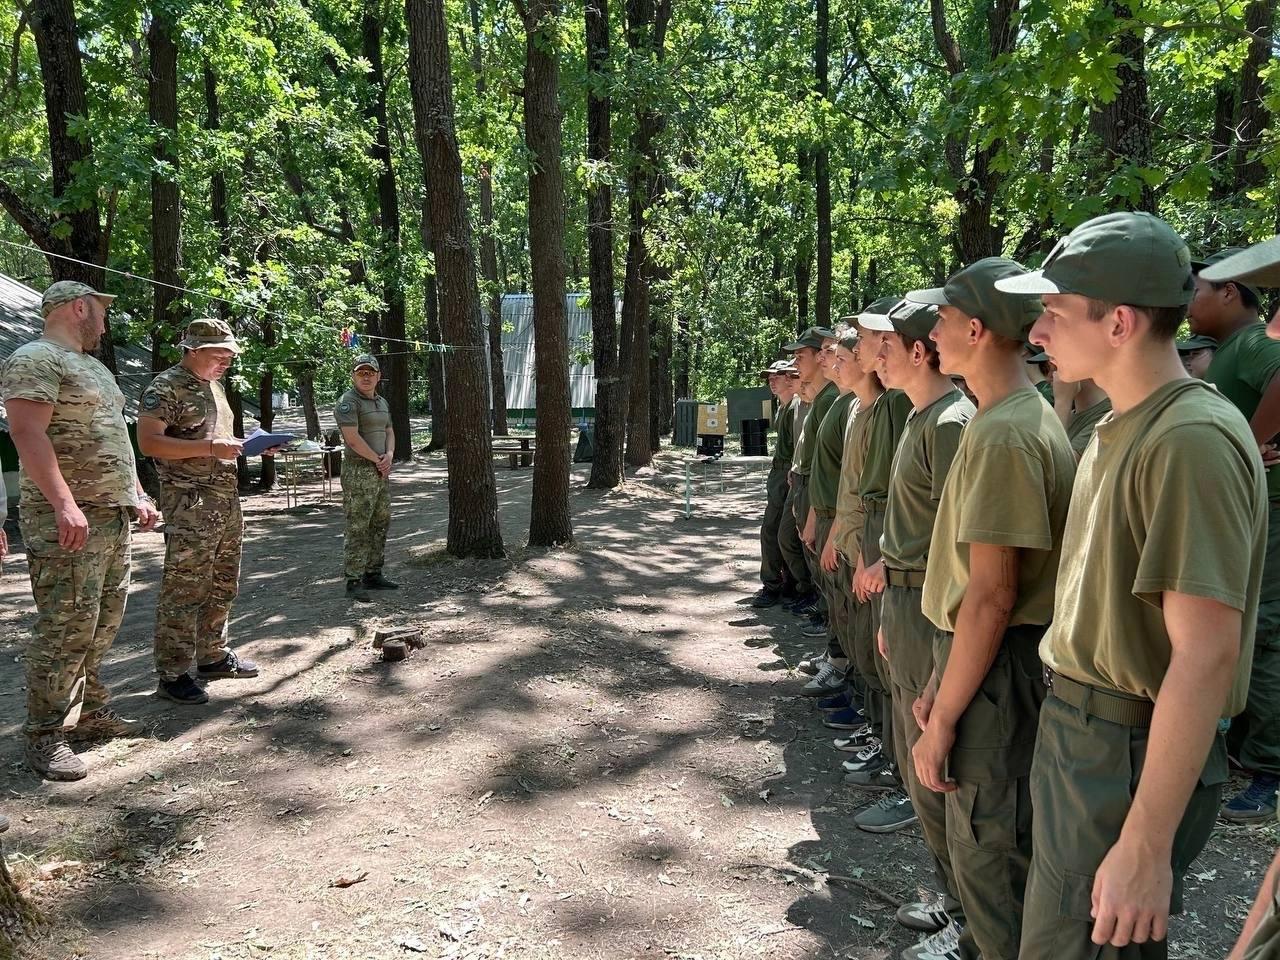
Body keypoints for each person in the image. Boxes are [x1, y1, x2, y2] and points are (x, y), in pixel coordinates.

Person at [994, 211, 1266, 960]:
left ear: (1117, 322)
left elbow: (1206, 654)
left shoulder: (1187, 441)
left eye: (1052, 313)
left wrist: (1145, 845)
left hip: (1124, 750)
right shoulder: (1128, 424)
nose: (1039, 334)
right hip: (1089, 739)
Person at [908, 258, 1076, 960]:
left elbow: (992, 594)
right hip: (984, 659)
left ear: (975, 329)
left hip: (1000, 667)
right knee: (982, 845)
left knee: (990, 849)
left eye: (943, 321)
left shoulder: (1006, 431)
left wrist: (944, 717)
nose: (935, 335)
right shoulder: (1000, 418)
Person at [0, 280, 160, 781]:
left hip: (110, 513)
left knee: (103, 620)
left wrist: (138, 494)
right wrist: (65, 504)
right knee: (66, 624)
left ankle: (87, 713)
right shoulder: (35, 357)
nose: (106, 322)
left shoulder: (93, 367)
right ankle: (44, 736)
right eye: (102, 312)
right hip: (67, 516)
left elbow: (116, 438)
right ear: (79, 307)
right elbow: (26, 433)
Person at [860, 298, 975, 959]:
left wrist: (936, 657)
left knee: (940, 776)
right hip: (905, 606)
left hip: (932, 615)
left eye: (885, 344)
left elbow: (958, 550)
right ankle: (954, 900)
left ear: (918, 352)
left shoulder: (953, 423)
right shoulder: (921, 416)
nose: (874, 356)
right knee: (917, 768)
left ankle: (969, 921)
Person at [1187, 248, 1280, 823]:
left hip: (1266, 512)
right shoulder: (1229, 353)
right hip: (1249, 513)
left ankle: (1268, 766)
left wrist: (1248, 442)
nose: (1189, 304)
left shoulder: (1249, 344)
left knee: (1264, 631)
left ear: (1231, 292)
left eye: (1198, 290)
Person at [137, 318, 267, 705]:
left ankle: (212, 656)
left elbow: (216, 439)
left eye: (230, 354)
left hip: (224, 498)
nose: (227, 359)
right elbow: (148, 442)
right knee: (185, 586)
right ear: (192, 349)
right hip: (189, 500)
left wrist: (251, 446)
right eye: (220, 353)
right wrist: (211, 450)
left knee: (223, 580)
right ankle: (173, 672)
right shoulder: (165, 387)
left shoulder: (215, 386)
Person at [802, 334, 859, 711]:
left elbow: (851, 481)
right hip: (827, 514)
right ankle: (838, 661)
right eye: (825, 352)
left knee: (850, 610)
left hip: (840, 522)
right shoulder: (840, 402)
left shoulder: (852, 405)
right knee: (838, 603)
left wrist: (833, 529)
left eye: (835, 353)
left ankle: (843, 671)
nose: (828, 359)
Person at [337, 354, 397, 602]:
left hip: (380, 469)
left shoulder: (382, 402)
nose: (366, 376)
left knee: (380, 521)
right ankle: (353, 579)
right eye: (361, 372)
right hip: (358, 470)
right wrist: (377, 459)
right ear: (353, 376)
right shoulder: (348, 402)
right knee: (359, 525)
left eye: (370, 372)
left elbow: (389, 431)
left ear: (378, 376)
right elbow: (352, 439)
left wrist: (390, 455)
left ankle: (373, 573)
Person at [751, 361, 800, 608]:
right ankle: (783, 583)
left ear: (790, 379)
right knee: (775, 530)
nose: (772, 380)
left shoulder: (794, 408)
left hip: (787, 474)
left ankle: (777, 585)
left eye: (777, 376)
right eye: (769, 377)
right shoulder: (782, 408)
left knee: (775, 531)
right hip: (779, 473)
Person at [1050, 373, 1111, 459]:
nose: (1051, 373)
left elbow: (1056, 468)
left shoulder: (1107, 416)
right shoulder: (1068, 414)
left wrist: (1063, 401)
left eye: (1056, 366)